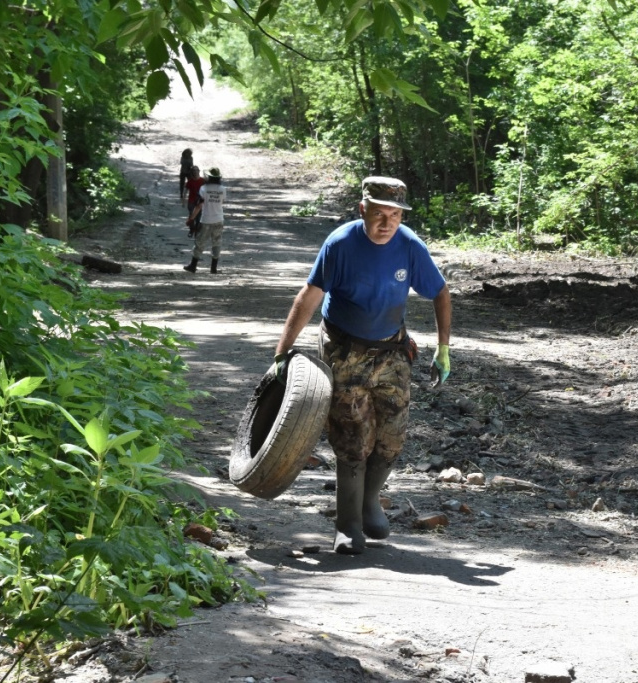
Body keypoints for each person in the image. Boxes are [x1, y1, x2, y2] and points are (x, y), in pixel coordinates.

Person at [272, 176, 452, 554]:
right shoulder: (340, 244)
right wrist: (281, 351)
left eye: (395, 215)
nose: (386, 223)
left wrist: (444, 348)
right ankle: (348, 524)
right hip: (343, 348)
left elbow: (439, 292)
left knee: (392, 435)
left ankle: (370, 500)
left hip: (391, 350)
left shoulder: (409, 246)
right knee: (353, 438)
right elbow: (309, 296)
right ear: (362, 210)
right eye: (378, 214)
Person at [184, 167, 228, 274]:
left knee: (200, 243)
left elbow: (199, 206)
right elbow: (222, 202)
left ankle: (193, 266)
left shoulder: (203, 188)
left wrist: (191, 218)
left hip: (206, 220)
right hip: (219, 219)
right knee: (216, 243)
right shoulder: (222, 189)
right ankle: (213, 268)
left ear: (208, 177)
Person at [185, 166, 205, 238]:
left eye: (196, 170)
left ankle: (197, 231)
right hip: (191, 201)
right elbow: (186, 190)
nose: (195, 172)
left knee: (198, 217)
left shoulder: (203, 181)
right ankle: (191, 230)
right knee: (191, 216)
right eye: (193, 171)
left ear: (199, 171)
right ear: (192, 172)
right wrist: (183, 199)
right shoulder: (190, 181)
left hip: (200, 201)